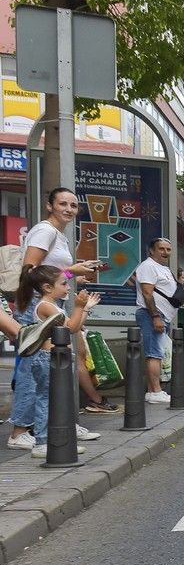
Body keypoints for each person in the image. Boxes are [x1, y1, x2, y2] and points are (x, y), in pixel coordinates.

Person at [20, 186, 118, 414]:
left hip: (51, 302)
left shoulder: (58, 234)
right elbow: (30, 271)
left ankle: (52, 424)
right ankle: (22, 430)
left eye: (73, 205)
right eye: (63, 204)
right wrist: (70, 272)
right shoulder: (45, 231)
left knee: (51, 365)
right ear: (49, 206)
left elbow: (52, 275)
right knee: (33, 367)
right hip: (39, 303)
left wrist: (74, 275)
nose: (69, 209)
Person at [9, 265, 100, 458]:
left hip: (57, 359)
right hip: (47, 358)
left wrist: (84, 309)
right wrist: (79, 306)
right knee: (47, 400)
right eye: (64, 283)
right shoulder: (45, 306)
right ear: (47, 287)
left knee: (57, 400)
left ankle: (56, 441)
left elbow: (73, 327)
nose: (68, 287)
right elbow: (71, 328)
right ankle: (43, 442)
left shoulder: (52, 305)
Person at [135, 238, 181, 404]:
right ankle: (155, 391)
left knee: (158, 353)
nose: (165, 253)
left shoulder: (163, 268)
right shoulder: (148, 266)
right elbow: (147, 293)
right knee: (154, 353)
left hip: (163, 316)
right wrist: (155, 317)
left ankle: (152, 390)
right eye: (161, 249)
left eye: (168, 249)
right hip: (152, 315)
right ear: (151, 251)